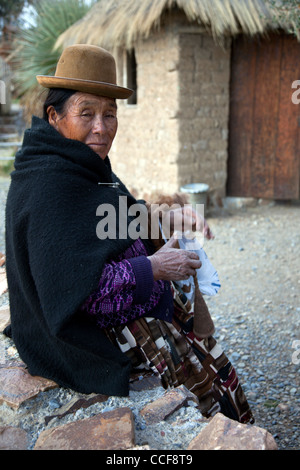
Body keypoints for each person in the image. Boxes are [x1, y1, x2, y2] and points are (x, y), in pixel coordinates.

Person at [4, 45, 254, 424]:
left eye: (110, 114)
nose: (101, 128)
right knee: (194, 404)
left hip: (144, 314)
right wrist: (153, 267)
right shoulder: (49, 187)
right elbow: (80, 293)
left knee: (214, 377)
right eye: (85, 113)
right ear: (54, 116)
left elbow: (116, 212)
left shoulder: (81, 163)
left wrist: (170, 215)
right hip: (102, 336)